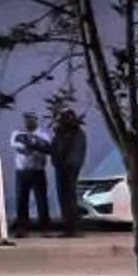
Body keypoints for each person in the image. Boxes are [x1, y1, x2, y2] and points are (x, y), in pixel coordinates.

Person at [9, 109, 55, 235]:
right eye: (26, 119)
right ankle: (23, 228)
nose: (28, 121)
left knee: (42, 200)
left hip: (38, 171)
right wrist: (34, 146)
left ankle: (45, 228)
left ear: (36, 120)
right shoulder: (17, 134)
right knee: (22, 200)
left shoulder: (43, 135)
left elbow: (47, 149)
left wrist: (36, 145)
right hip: (22, 171)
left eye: (31, 118)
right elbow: (21, 149)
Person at [50, 100, 90, 236]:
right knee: (66, 198)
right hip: (66, 166)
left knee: (68, 197)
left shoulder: (72, 133)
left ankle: (73, 228)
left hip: (67, 168)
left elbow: (63, 150)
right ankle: (70, 227)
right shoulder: (71, 133)